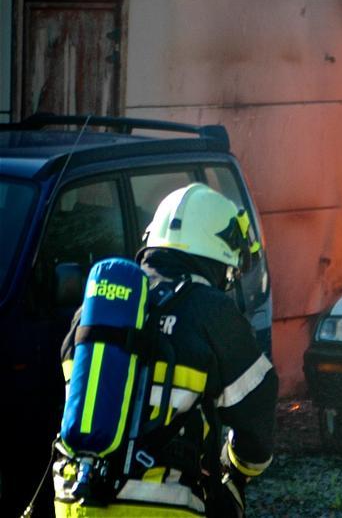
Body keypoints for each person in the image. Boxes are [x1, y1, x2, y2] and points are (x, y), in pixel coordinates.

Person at [51, 183, 278, 517]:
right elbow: (258, 403)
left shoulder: (98, 309)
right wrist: (239, 470)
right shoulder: (210, 310)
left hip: (74, 498)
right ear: (219, 253)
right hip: (157, 506)